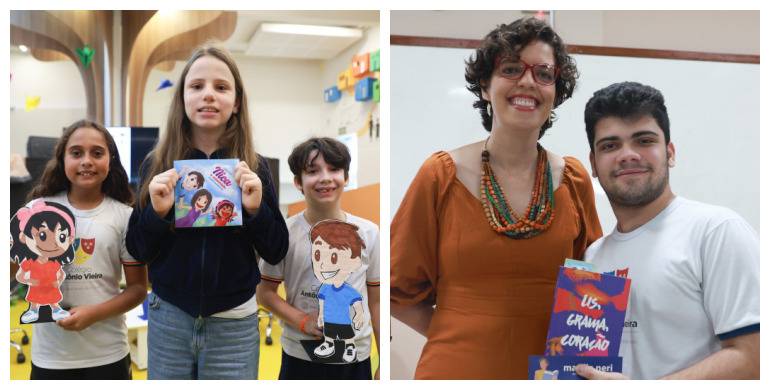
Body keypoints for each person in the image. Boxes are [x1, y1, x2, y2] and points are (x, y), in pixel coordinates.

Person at [390, 17, 602, 379]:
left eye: (544, 74)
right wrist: (465, 327)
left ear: (556, 92)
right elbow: (397, 292)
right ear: (485, 87)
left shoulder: (574, 178)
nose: (527, 81)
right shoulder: (440, 175)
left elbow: (590, 288)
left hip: (548, 374)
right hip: (454, 370)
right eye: (511, 69)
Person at [126, 44, 289, 380]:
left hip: (234, 321)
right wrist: (156, 214)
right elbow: (137, 249)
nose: (209, 96)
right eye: (197, 86)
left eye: (221, 87)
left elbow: (276, 250)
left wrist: (256, 210)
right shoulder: (156, 165)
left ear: (237, 101)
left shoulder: (255, 168)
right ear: (182, 98)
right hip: (169, 316)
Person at [576, 82, 759, 380]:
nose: (628, 155)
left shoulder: (717, 232)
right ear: (594, 164)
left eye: (644, 141)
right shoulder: (592, 258)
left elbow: (755, 359)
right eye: (610, 145)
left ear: (670, 152)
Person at [15, 119, 148, 379]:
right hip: (51, 357)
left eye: (97, 153)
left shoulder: (124, 216)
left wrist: (94, 314)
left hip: (108, 353)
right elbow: (10, 269)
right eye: (76, 153)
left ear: (110, 160)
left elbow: (138, 289)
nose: (86, 160)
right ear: (62, 159)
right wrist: (18, 246)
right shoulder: (38, 210)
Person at [258, 137, 379, 380]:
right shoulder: (285, 234)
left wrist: (384, 363)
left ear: (345, 177)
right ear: (298, 183)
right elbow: (265, 293)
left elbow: (376, 302)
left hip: (356, 359)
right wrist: (302, 321)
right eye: (313, 171)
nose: (325, 177)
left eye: (334, 169)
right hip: (299, 357)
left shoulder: (368, 233)